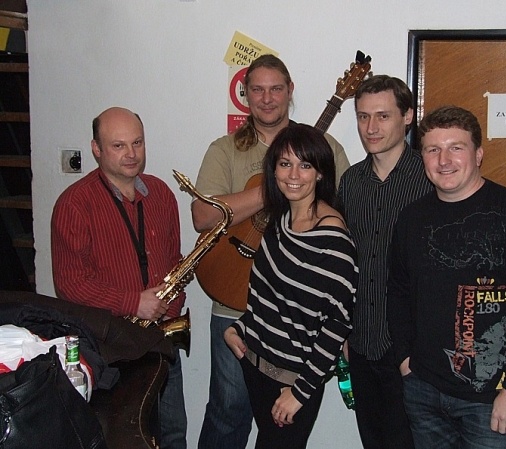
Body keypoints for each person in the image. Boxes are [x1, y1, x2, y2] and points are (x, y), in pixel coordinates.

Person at [192, 54, 350, 449]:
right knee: (227, 412)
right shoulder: (225, 149)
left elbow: (345, 214)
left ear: (290, 90)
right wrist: (270, 191)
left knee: (278, 427)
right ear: (244, 93)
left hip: (297, 319)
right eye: (257, 89)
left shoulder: (323, 146)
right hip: (235, 307)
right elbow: (202, 216)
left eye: (276, 88)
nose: (267, 98)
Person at [387, 105, 506, 449]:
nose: (444, 160)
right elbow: (398, 292)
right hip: (423, 389)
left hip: (490, 400)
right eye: (433, 150)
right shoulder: (411, 219)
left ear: (478, 154)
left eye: (456, 147)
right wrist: (406, 361)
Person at [51, 107, 187, 449]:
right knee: (125, 439)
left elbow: (174, 260)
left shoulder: (161, 193)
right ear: (96, 149)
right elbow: (70, 283)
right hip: (109, 348)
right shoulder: (74, 204)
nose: (131, 154)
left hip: (160, 340)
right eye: (118, 145)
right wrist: (133, 303)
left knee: (173, 435)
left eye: (137, 143)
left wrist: (170, 306)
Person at [224, 123, 358, 449]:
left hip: (292, 383)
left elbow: (337, 324)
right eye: (285, 163)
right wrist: (239, 327)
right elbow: (268, 295)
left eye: (305, 165)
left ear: (321, 173)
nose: (293, 174)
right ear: (273, 170)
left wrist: (300, 392)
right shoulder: (280, 220)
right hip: (256, 366)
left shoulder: (332, 238)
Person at [337, 74, 433, 448]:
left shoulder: (431, 178)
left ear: (407, 117)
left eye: (382, 116)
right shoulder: (350, 182)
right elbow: (344, 264)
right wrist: (344, 333)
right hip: (362, 345)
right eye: (363, 117)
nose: (371, 128)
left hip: (415, 351)